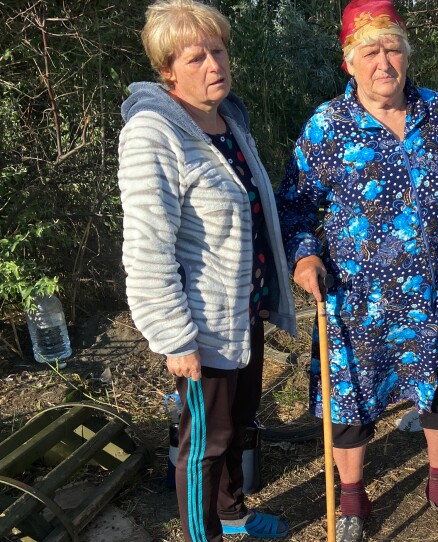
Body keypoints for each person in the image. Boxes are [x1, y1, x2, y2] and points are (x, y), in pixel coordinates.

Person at [276, 0, 438, 539]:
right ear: (349, 62)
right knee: (351, 400)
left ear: (406, 54)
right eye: (369, 51)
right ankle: (352, 502)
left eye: (392, 48)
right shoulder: (327, 127)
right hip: (357, 295)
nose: (383, 62)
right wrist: (304, 255)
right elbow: (294, 206)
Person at [117, 1, 296, 540]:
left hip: (244, 310)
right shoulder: (155, 133)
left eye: (218, 51)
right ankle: (204, 535)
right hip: (202, 325)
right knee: (206, 444)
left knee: (238, 427)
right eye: (196, 57)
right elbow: (147, 247)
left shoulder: (228, 122)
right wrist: (174, 337)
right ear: (167, 70)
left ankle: (234, 516)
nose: (214, 65)